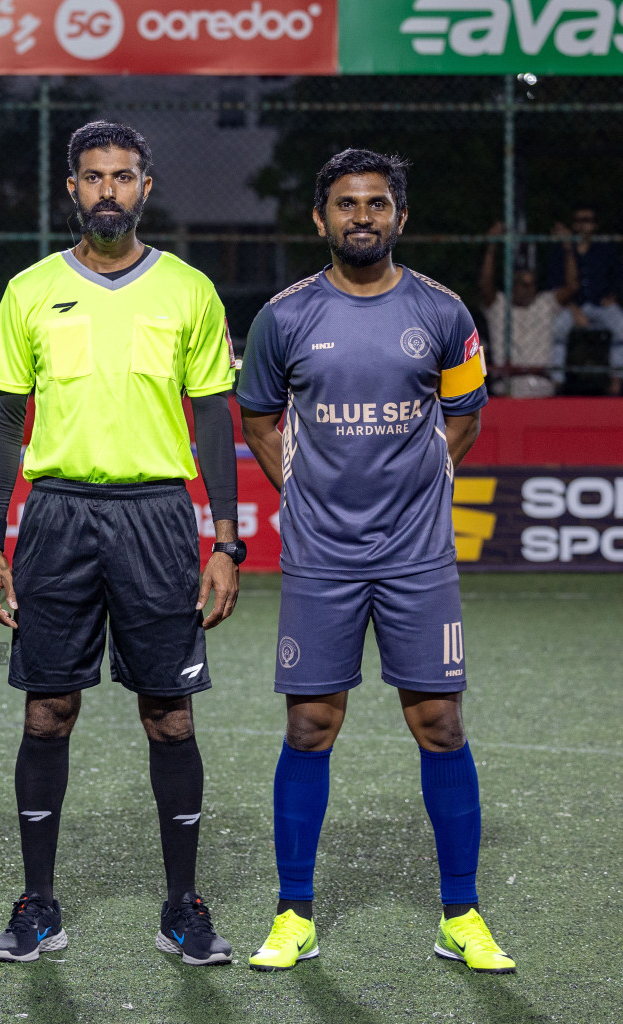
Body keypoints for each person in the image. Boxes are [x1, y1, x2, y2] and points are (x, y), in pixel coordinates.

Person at [237, 149, 513, 974]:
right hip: (321, 558)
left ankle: (460, 913)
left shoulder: (443, 311)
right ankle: (295, 914)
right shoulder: (283, 317)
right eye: (347, 205)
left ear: (400, 217)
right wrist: (307, 489)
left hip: (418, 557)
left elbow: (464, 412)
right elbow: (256, 417)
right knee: (310, 726)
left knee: (441, 724)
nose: (362, 217)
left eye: (378, 204)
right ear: (321, 220)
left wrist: (427, 479)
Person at [0, 121, 242, 965]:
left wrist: (226, 538)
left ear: (145, 189)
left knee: (169, 713)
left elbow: (211, 419)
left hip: (160, 518)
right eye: (93, 177)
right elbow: (5, 420)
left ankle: (181, 908)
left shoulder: (189, 292)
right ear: (72, 190)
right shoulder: (28, 290)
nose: (108, 191)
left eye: (123, 177)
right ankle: (39, 903)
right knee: (48, 707)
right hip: (55, 516)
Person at [478, 223, 575, 398]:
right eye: (522, 284)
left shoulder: (544, 303)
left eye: (531, 285)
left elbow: (572, 287)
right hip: (508, 382)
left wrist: (568, 248)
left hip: (541, 382)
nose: (528, 289)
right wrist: (491, 246)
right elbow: (485, 285)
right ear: (513, 286)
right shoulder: (500, 305)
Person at [548, 206, 623, 394]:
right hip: (573, 306)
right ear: (574, 225)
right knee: (556, 329)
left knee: (621, 327)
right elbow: (555, 283)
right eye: (579, 221)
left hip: (600, 305)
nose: (583, 225)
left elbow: (618, 276)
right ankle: (557, 382)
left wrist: (613, 296)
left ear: (595, 225)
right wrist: (572, 308)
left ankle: (616, 380)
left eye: (588, 221)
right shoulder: (564, 249)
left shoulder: (605, 248)